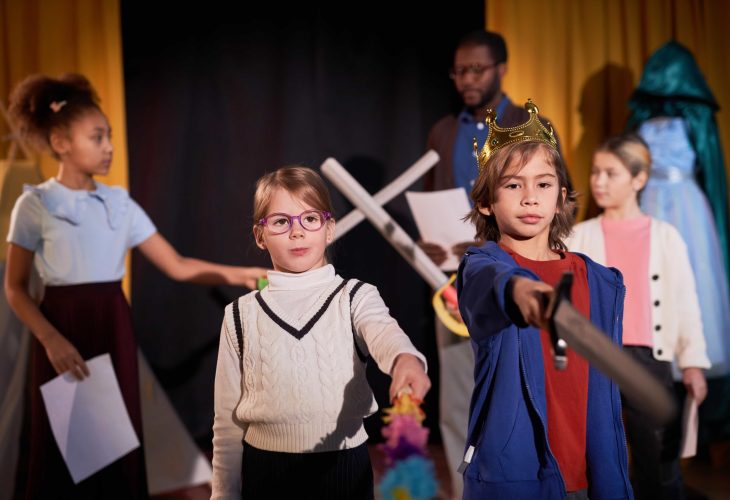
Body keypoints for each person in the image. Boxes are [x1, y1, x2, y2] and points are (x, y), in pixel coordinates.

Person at [4, 73, 268, 499]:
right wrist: (50, 339)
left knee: (116, 441)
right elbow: (15, 288)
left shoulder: (119, 204)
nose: (108, 146)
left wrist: (241, 275)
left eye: (108, 136)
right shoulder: (36, 205)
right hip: (61, 326)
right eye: (97, 137)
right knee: (66, 445)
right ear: (60, 142)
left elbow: (178, 265)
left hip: (112, 322)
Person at [210, 166, 431, 499]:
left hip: (344, 466)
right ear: (260, 235)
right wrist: (222, 494)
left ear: (329, 229)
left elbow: (384, 332)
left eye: (310, 219)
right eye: (281, 221)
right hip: (266, 472)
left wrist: (405, 360)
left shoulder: (356, 296)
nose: (297, 232)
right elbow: (226, 422)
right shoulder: (240, 314)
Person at [456, 100, 632, 499]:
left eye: (544, 184)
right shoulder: (482, 265)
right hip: (518, 479)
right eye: (513, 185)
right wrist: (526, 291)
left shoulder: (598, 280)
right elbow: (496, 282)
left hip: (590, 480)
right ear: (486, 201)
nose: (530, 197)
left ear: (561, 196)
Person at [419, 29, 563, 497]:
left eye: (476, 68)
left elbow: (561, 198)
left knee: (523, 385)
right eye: (459, 70)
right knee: (459, 391)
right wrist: (434, 246)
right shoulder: (443, 130)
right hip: (454, 282)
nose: (466, 79)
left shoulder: (529, 122)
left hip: (519, 271)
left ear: (501, 69)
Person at [566, 133, 710, 499]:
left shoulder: (665, 236)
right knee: (598, 459)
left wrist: (692, 363)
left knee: (657, 462)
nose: (598, 181)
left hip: (649, 362)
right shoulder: (579, 236)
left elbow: (685, 303)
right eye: (595, 172)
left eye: (610, 173)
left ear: (639, 179)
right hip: (597, 359)